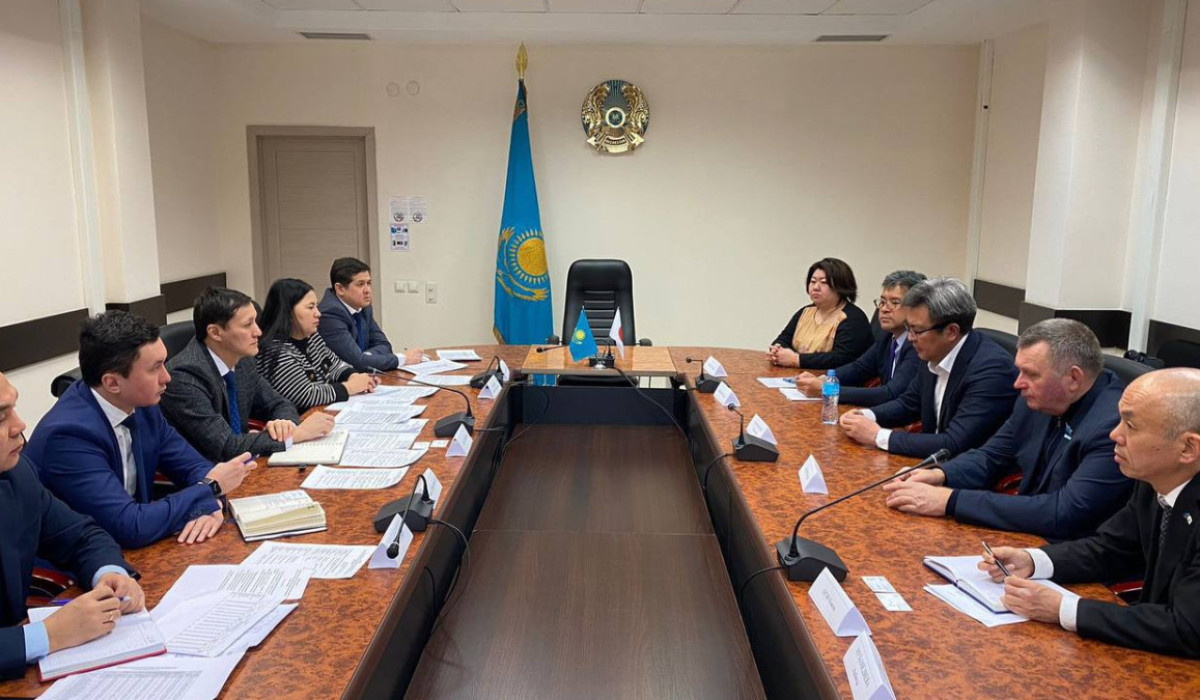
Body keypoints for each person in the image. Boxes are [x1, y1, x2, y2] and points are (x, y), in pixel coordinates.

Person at [981, 369, 1200, 658]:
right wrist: (1034, 561)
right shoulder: (1155, 478)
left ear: (1188, 448)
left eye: (1130, 426)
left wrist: (1063, 608)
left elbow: (1187, 628)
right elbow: (1110, 549)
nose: (1114, 434)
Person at [883, 319, 1132, 540]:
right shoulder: (1036, 399)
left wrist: (949, 500)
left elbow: (1064, 513)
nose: (1018, 383)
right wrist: (940, 475)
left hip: (1071, 553)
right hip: (1024, 535)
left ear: (1073, 378)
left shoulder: (1112, 427)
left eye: (1030, 374)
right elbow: (991, 456)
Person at [26, 311, 254, 549]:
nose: (167, 377)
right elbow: (129, 526)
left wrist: (209, 504)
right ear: (112, 383)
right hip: (85, 561)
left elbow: (195, 467)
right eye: (155, 368)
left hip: (135, 545)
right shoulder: (68, 436)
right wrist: (211, 488)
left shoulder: (143, 405)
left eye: (164, 363)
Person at [0, 370, 146, 680]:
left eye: (13, 408)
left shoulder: (17, 474)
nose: (20, 425)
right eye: (1, 417)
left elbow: (82, 536)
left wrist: (109, 573)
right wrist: (47, 635)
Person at [839, 277, 1017, 458]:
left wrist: (878, 436)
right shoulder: (933, 350)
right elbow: (909, 404)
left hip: (963, 469)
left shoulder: (992, 371)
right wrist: (866, 416)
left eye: (917, 330)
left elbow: (954, 443)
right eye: (908, 328)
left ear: (951, 331)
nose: (910, 338)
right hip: (929, 462)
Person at [160, 286, 336, 462]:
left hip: (245, 463)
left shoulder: (242, 359)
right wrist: (296, 435)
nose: (258, 332)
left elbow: (278, 403)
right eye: (247, 325)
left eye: (255, 322)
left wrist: (286, 425)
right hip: (209, 471)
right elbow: (225, 447)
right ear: (215, 332)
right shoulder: (185, 377)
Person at [793, 270, 925, 406]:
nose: (884, 309)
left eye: (894, 302)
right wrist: (824, 379)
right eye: (883, 302)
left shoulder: (918, 345)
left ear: (916, 307)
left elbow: (889, 394)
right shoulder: (887, 337)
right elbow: (859, 367)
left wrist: (827, 389)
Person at [256, 278, 377, 412]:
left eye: (316, 306)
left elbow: (335, 365)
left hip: (320, 412)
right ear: (288, 312)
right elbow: (305, 395)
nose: (318, 313)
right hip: (297, 420)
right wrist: (350, 387)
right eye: (310, 307)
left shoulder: (311, 337)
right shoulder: (276, 351)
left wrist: (353, 376)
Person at [767, 257, 873, 370]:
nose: (816, 287)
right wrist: (777, 350)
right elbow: (784, 338)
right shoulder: (806, 311)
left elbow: (841, 358)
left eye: (823, 282)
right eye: (813, 281)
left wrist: (797, 360)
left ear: (841, 286)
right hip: (798, 375)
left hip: (833, 379)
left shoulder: (853, 318)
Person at [318, 257, 423, 372]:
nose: (367, 290)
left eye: (368, 283)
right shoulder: (329, 314)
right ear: (340, 289)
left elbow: (384, 345)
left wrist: (365, 357)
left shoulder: (363, 307)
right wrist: (401, 359)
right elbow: (358, 364)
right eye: (360, 284)